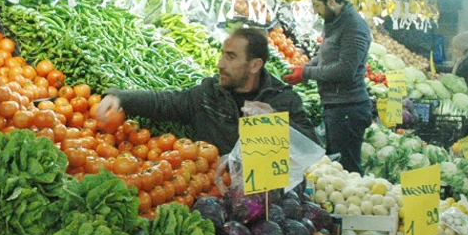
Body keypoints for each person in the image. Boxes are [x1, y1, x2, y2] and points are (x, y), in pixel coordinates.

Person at [95, 27, 317, 156]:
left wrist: (277, 124)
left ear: (255, 65)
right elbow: (164, 102)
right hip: (213, 193)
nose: (220, 64)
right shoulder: (208, 94)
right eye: (222, 55)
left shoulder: (283, 99)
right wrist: (119, 96)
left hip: (265, 203)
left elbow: (312, 147)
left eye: (230, 57)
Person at [282, 0, 372, 174]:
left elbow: (345, 69)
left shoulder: (353, 26)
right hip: (336, 107)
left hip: (348, 108)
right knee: (337, 166)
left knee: (347, 170)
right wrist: (303, 68)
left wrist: (307, 73)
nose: (315, 11)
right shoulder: (335, 21)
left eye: (317, 5)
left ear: (331, 1)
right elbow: (325, 56)